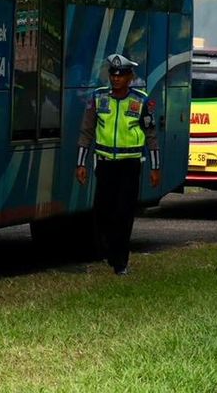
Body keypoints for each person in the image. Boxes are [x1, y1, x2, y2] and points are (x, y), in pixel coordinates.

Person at [76, 53, 161, 275]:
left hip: (129, 165)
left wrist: (155, 168)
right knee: (102, 212)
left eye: (121, 75)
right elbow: (86, 131)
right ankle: (107, 249)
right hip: (105, 165)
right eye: (113, 74)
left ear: (130, 77)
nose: (116, 78)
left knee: (124, 213)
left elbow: (151, 136)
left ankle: (120, 261)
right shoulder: (98, 97)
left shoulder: (141, 101)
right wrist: (81, 163)